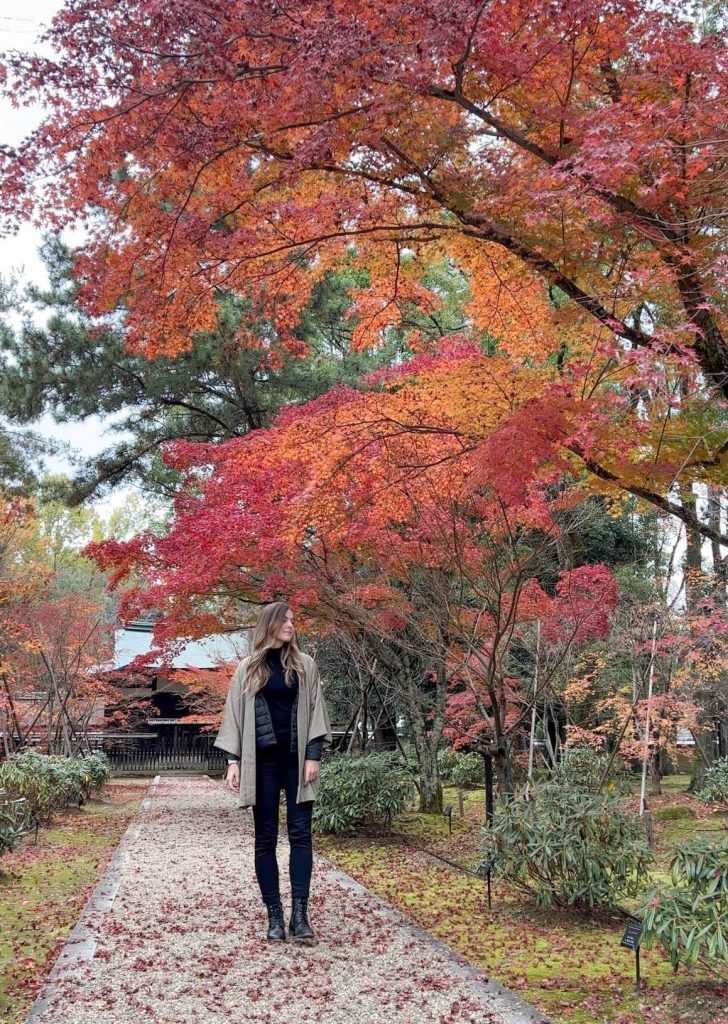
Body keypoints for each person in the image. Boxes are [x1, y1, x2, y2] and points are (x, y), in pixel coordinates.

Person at [213, 601, 332, 944]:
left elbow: (315, 711)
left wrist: (313, 756)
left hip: (297, 763)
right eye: (285, 620)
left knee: (301, 836)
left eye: (294, 620)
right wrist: (233, 761)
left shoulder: (305, 665)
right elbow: (234, 716)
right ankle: (275, 916)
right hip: (261, 764)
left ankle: (300, 914)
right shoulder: (248, 669)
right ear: (270, 624)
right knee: (265, 840)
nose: (291, 625)